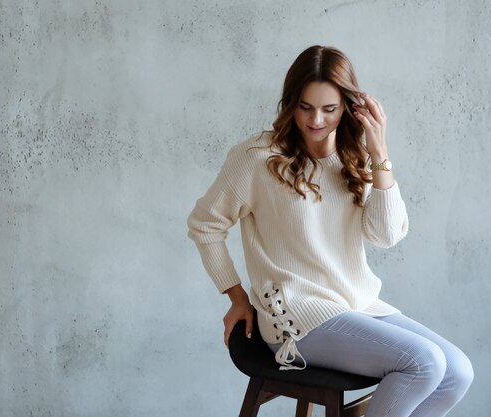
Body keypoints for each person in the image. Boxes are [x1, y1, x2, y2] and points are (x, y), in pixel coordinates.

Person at [187, 45, 473, 416]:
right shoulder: (257, 158)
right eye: (305, 107)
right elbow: (205, 225)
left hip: (355, 304)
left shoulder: (356, 156)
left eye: (329, 108)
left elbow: (386, 235)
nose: (316, 119)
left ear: (348, 108)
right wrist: (236, 296)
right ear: (290, 103)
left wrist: (379, 151)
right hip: (295, 315)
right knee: (424, 363)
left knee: (457, 373)